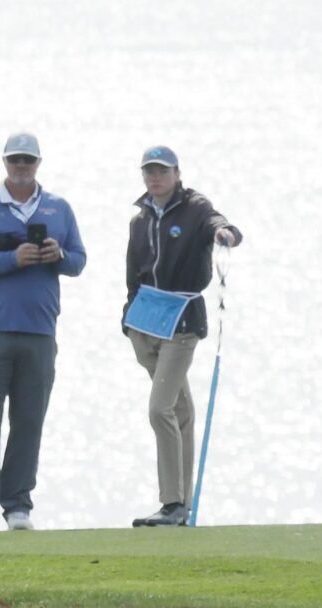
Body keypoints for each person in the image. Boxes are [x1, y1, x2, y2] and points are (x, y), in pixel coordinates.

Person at [0, 132, 87, 531]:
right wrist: (13, 258)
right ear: (5, 163)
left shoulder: (58, 208)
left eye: (28, 160)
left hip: (39, 330)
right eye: (15, 160)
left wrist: (57, 255)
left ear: (38, 163)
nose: (21, 167)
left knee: (30, 419)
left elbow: (78, 260)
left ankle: (18, 505)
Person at [123, 145, 243, 527]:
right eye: (149, 172)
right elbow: (132, 275)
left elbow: (215, 222)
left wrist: (226, 232)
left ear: (176, 173)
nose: (155, 178)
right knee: (181, 411)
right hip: (145, 323)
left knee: (160, 409)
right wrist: (127, 320)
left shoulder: (194, 207)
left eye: (162, 171)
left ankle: (172, 503)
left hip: (182, 322)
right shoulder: (140, 219)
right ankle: (182, 506)